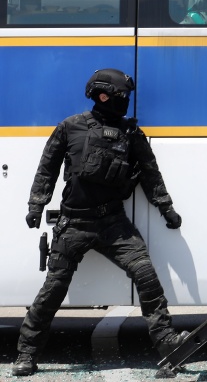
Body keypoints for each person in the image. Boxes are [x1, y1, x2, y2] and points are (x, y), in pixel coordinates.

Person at [12, 68, 188, 377]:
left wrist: (166, 208)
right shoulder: (69, 128)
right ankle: (26, 354)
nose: (126, 103)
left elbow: (150, 174)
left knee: (146, 276)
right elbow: (47, 169)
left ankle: (168, 343)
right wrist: (36, 205)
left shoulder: (131, 134)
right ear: (103, 96)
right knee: (53, 289)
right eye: (123, 97)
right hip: (73, 223)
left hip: (113, 223)